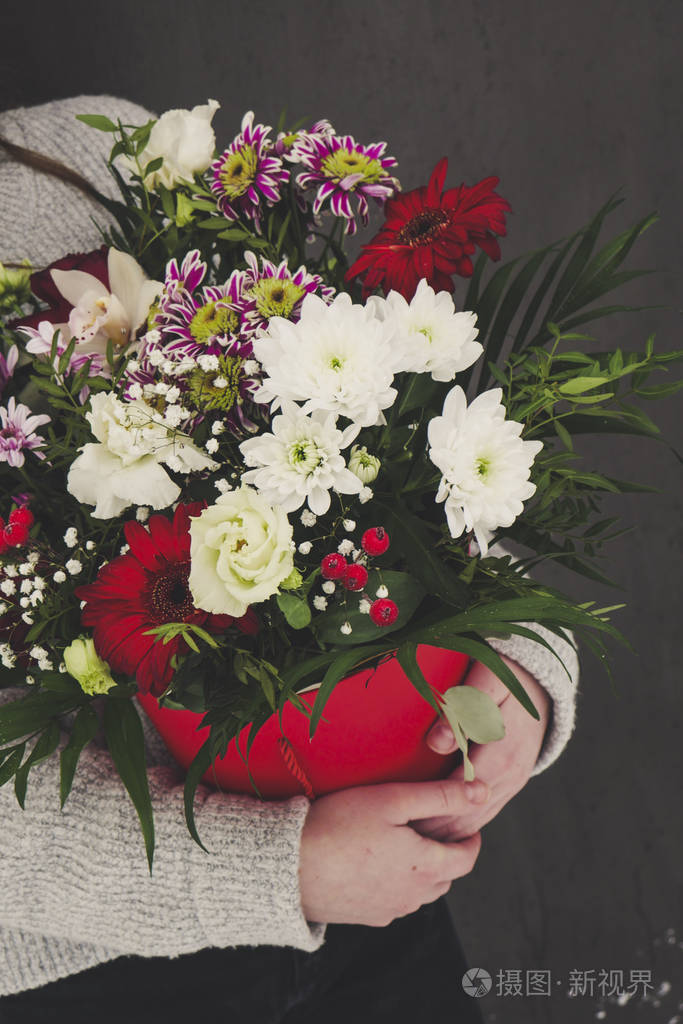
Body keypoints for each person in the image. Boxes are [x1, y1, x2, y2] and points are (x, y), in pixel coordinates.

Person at [0, 96, 579, 1022]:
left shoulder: (98, 151)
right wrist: (278, 870)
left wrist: (516, 658)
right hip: (94, 975)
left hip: (374, 888)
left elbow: (380, 448)